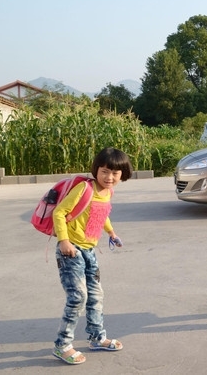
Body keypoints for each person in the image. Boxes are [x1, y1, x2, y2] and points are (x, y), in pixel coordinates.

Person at [52, 147, 133, 365]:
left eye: (115, 173)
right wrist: (64, 241)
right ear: (96, 170)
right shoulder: (84, 188)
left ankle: (97, 338)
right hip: (71, 251)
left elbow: (102, 213)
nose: (110, 177)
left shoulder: (108, 192)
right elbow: (58, 212)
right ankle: (62, 345)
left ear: (123, 174)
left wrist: (111, 233)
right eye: (105, 171)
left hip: (89, 251)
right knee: (78, 297)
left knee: (96, 296)